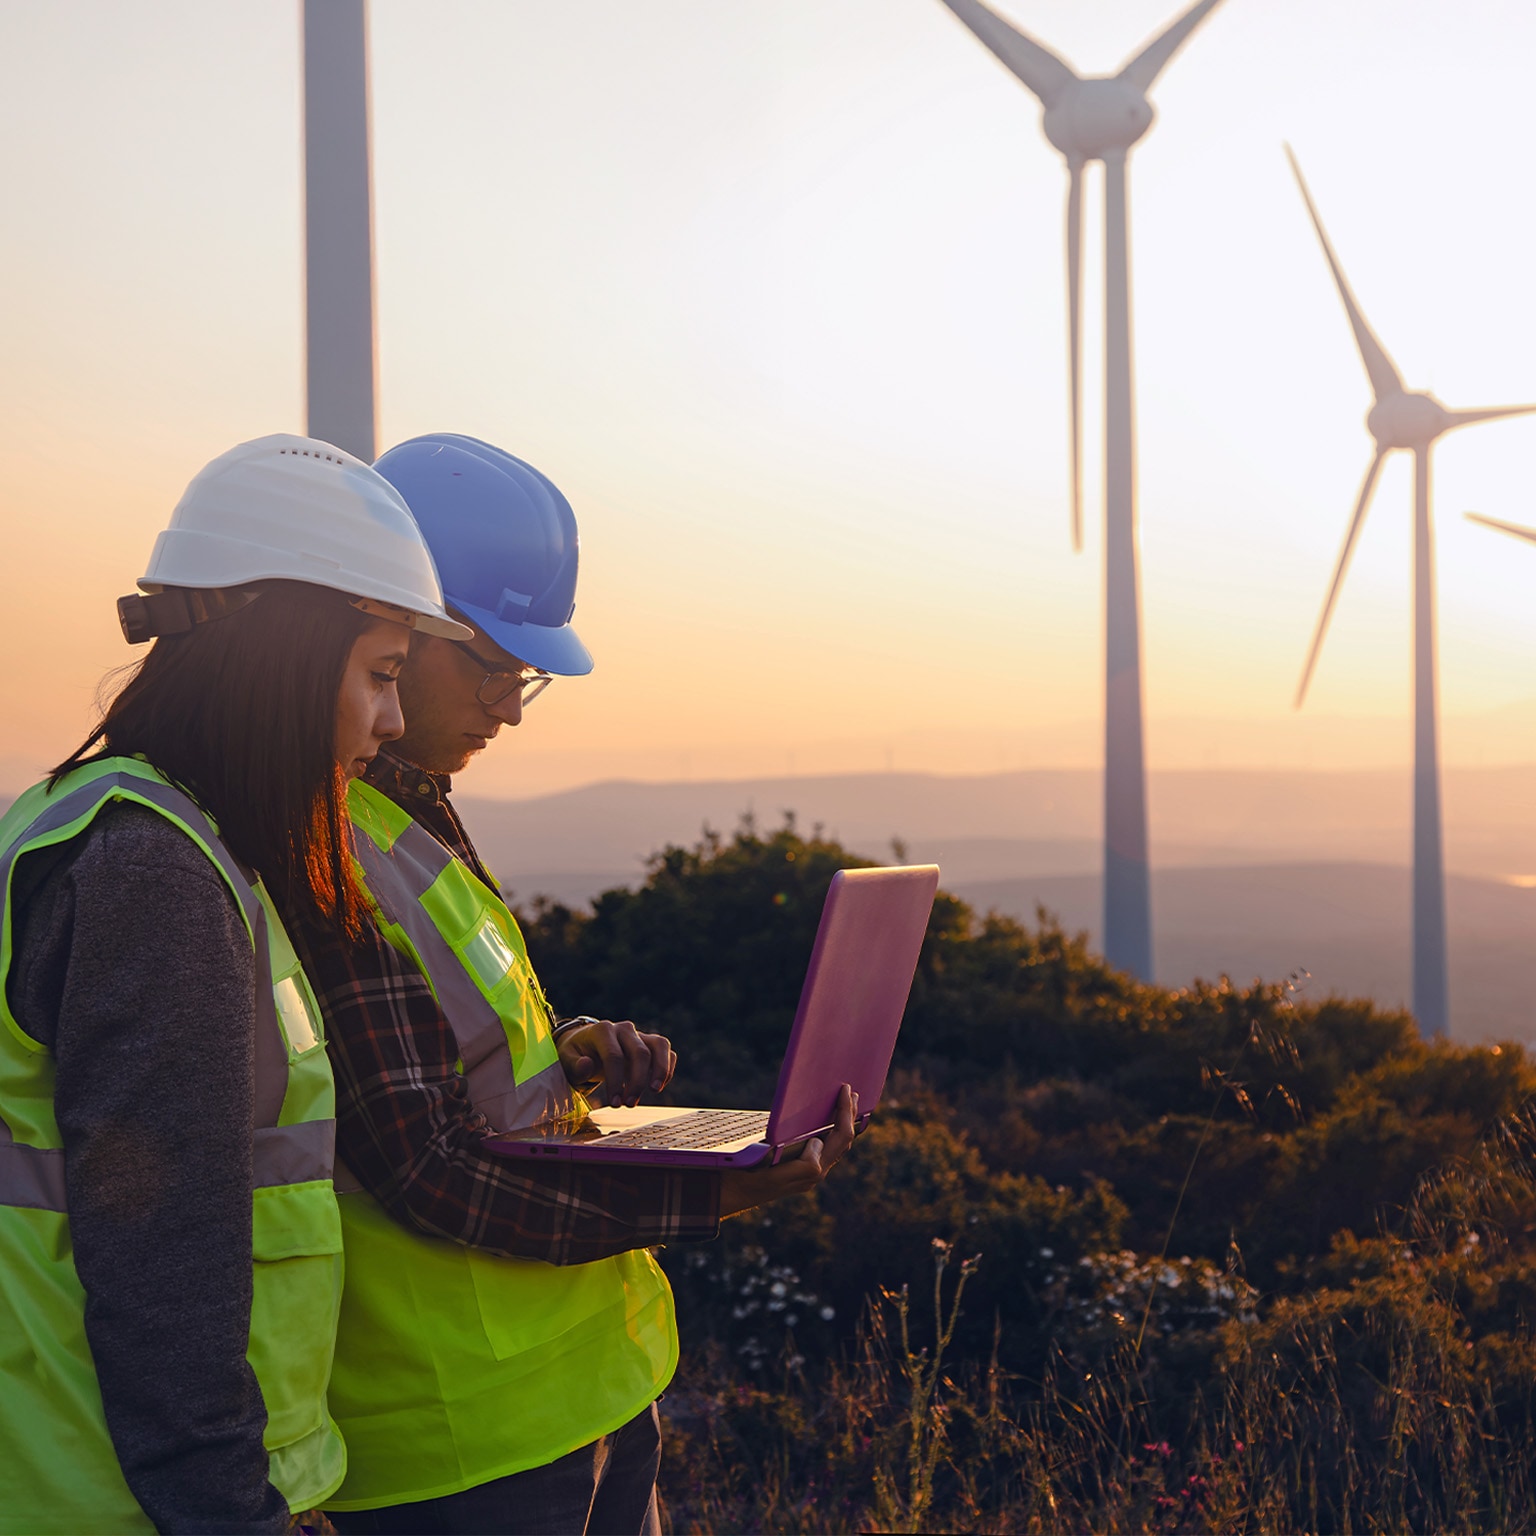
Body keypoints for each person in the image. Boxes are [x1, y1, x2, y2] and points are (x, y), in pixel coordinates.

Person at [285, 433, 856, 1536]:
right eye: (487, 662)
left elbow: (455, 1053)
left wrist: (570, 1050)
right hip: (462, 1442)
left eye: (525, 675)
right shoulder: (324, 842)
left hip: (578, 1394)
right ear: (388, 624)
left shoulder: (411, 803)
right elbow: (421, 1167)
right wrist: (719, 1192)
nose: (507, 702)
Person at [0, 434, 469, 1535]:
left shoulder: (146, 837)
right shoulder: (150, 874)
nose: (393, 722)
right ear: (283, 656)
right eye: (382, 673)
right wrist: (235, 1511)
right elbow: (162, 1257)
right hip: (122, 1505)